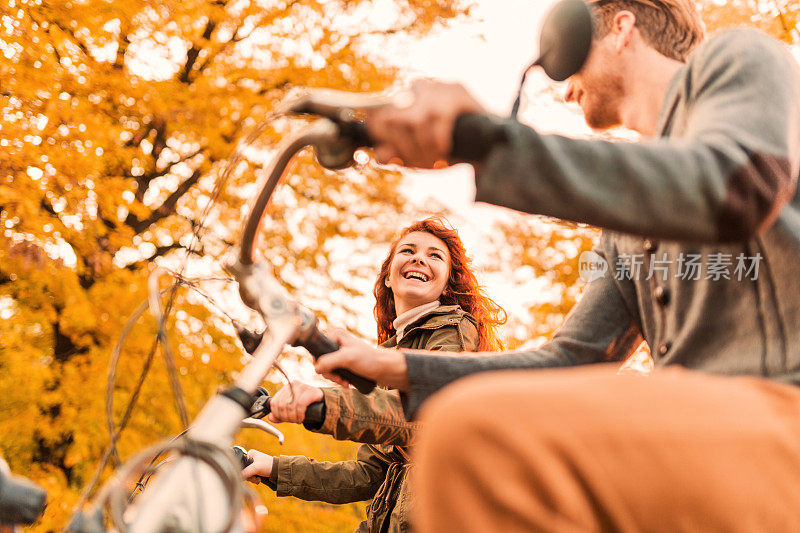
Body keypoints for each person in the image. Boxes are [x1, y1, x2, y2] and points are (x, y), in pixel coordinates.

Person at [313, 0, 800, 530]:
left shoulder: (741, 57)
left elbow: (733, 184)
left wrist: (481, 140)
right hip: (700, 449)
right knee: (482, 439)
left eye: (573, 56)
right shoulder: (624, 229)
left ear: (622, 28)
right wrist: (390, 367)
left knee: (475, 441)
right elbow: (570, 358)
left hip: (781, 421)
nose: (564, 87)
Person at [241, 216, 505, 532]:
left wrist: (324, 404)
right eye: (408, 250)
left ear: (448, 282)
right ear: (389, 277)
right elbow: (368, 475)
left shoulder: (455, 329)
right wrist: (273, 468)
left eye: (435, 255)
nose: (419, 257)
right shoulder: (389, 355)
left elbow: (425, 415)